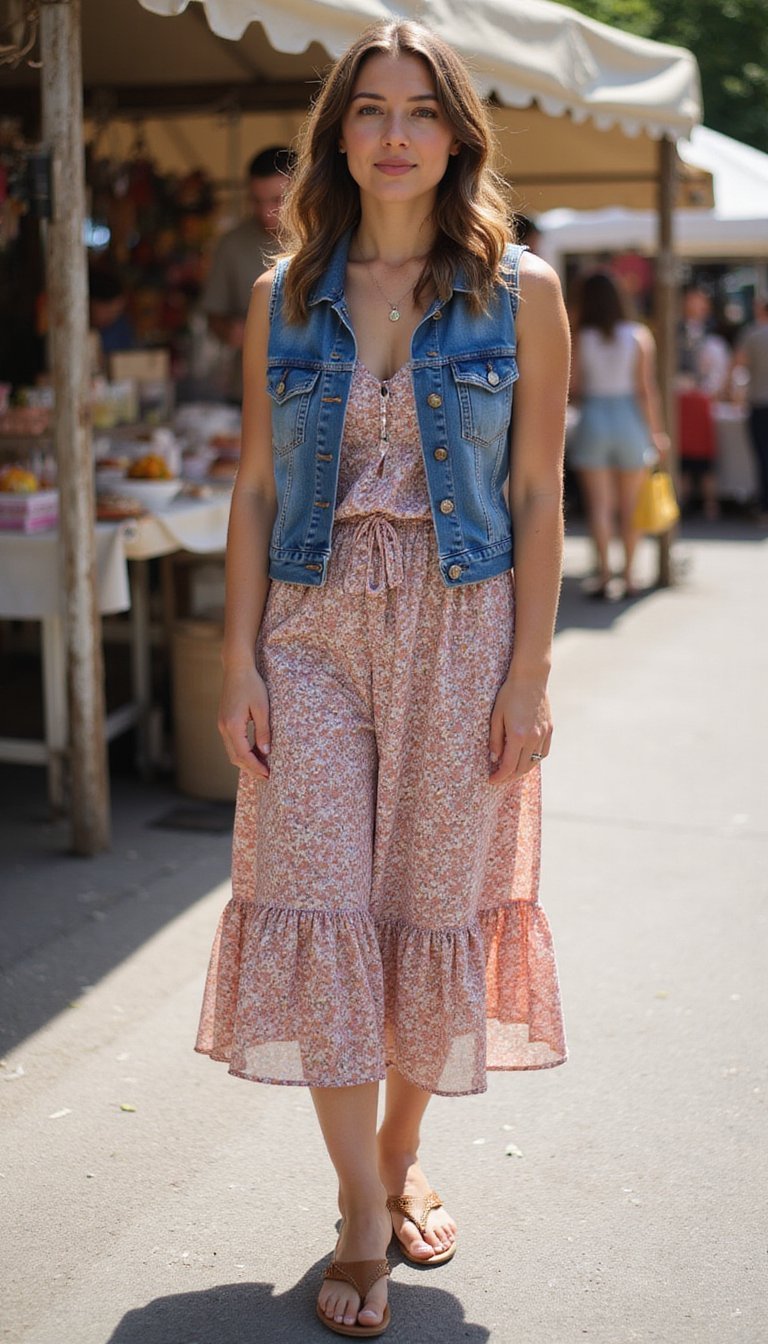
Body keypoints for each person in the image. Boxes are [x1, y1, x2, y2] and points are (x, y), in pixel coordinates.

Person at [199, 20, 569, 1337]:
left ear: (457, 135)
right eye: (370, 110)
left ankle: (401, 1159)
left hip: (462, 623)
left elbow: (536, 489)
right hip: (313, 623)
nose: (395, 132)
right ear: (339, 136)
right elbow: (254, 487)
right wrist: (238, 656)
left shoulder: (520, 290)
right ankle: (361, 1208)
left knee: (427, 910)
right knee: (315, 900)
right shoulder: (282, 297)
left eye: (421, 110)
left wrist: (528, 671)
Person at [569, 271, 668, 598]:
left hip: (593, 416)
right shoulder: (638, 335)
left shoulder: (580, 337)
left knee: (599, 505)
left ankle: (604, 574)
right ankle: (629, 575)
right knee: (630, 504)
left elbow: (575, 386)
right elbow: (646, 389)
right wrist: (656, 432)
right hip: (629, 419)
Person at [201, 146, 294, 400]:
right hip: (249, 389)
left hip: (318, 393)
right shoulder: (231, 244)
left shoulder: (328, 239)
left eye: (277, 200)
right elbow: (213, 314)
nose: (266, 213)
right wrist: (229, 331)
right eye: (256, 201)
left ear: (303, 189)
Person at [676, 283, 729, 520]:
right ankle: (681, 501)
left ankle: (709, 504)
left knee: (705, 457)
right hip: (682, 400)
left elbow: (719, 371)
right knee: (683, 456)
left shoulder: (712, 335)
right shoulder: (676, 331)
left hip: (702, 401)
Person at [730, 296, 768, 523]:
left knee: (763, 456)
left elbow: (737, 364)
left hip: (760, 404)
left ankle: (765, 507)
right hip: (759, 402)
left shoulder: (753, 334)